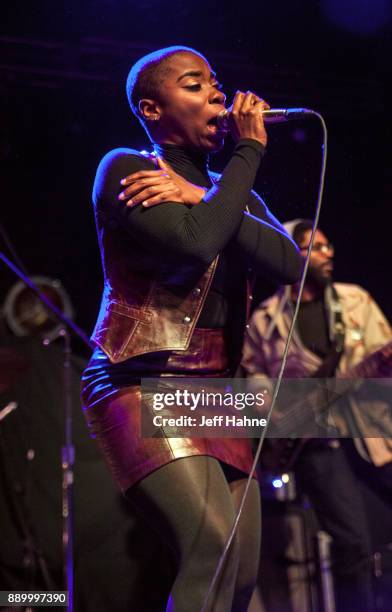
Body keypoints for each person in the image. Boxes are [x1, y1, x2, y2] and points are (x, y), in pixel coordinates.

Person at [80, 45, 302, 611]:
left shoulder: (231, 195)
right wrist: (250, 150)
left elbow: (292, 265)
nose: (217, 93)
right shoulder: (126, 168)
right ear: (153, 109)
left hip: (216, 389)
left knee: (244, 564)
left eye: (215, 82)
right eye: (195, 83)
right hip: (143, 376)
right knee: (211, 546)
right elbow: (196, 240)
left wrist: (206, 192)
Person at [242, 218, 392, 612]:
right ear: (294, 255)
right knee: (352, 542)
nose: (329, 254)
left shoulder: (354, 301)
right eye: (317, 247)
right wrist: (275, 408)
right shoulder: (264, 320)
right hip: (313, 441)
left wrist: (381, 369)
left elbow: (384, 363)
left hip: (368, 429)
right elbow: (253, 376)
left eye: (329, 246)